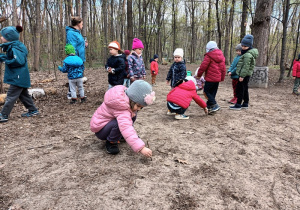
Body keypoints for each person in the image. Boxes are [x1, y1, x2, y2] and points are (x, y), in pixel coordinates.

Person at [90, 80, 155, 156]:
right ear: (132, 100)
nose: (139, 109)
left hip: (106, 125)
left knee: (133, 114)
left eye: (141, 107)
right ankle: (111, 141)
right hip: (101, 130)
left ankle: (119, 135)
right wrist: (141, 148)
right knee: (119, 123)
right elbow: (126, 127)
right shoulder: (121, 108)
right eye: (138, 106)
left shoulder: (125, 98)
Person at [0, 26, 39, 123]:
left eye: (3, 36)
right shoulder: (14, 46)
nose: (1, 37)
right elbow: (14, 59)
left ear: (9, 37)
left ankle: (4, 115)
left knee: (11, 96)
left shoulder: (15, 47)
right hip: (19, 76)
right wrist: (4, 57)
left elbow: (19, 61)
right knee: (23, 94)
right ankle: (33, 110)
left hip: (18, 76)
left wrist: (5, 60)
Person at [229, 35, 258, 110]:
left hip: (244, 75)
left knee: (240, 89)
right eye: (242, 45)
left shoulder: (247, 55)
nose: (243, 47)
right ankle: (245, 103)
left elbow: (246, 67)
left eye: (245, 46)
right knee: (244, 89)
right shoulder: (245, 53)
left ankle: (238, 104)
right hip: (245, 74)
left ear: (249, 46)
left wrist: (242, 76)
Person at [196, 41, 226, 114]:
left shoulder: (208, 56)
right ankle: (209, 106)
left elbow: (203, 66)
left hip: (210, 78)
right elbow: (223, 68)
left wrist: (199, 75)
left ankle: (214, 104)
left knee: (206, 91)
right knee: (213, 92)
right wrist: (222, 78)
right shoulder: (221, 56)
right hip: (217, 79)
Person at [65, 16, 88, 99]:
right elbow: (71, 47)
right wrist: (74, 58)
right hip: (76, 59)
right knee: (74, 75)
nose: (82, 25)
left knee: (79, 76)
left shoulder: (78, 33)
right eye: (82, 24)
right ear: (78, 24)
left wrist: (85, 45)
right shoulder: (71, 33)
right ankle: (70, 93)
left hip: (80, 58)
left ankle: (78, 93)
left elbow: (79, 45)